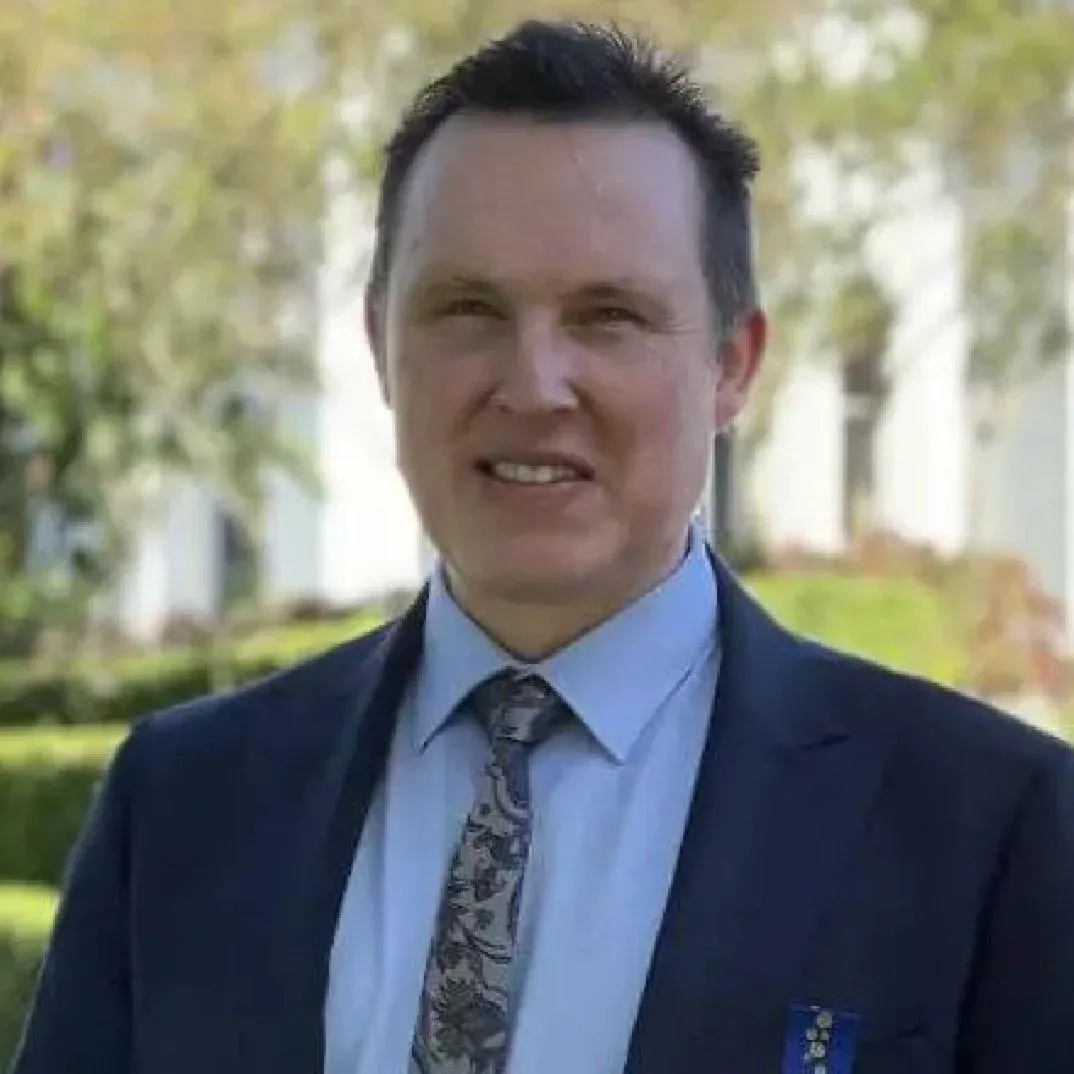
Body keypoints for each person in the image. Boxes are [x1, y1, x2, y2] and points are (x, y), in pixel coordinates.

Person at [11, 18, 1074, 1074]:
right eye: (469, 309)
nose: (532, 385)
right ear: (381, 345)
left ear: (733, 365)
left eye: (608, 316)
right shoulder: (183, 806)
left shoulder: (989, 828)